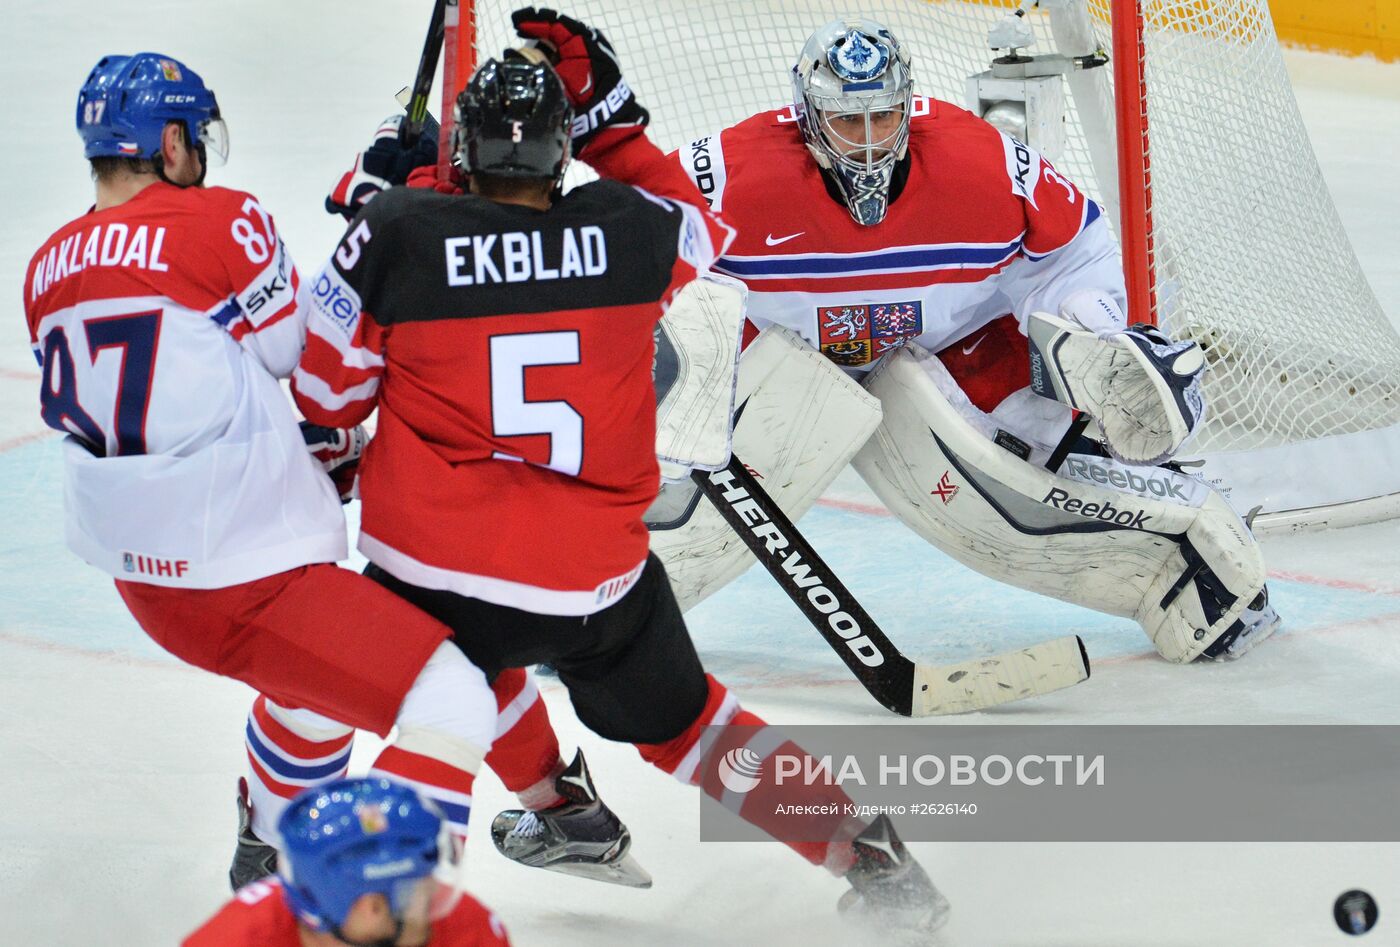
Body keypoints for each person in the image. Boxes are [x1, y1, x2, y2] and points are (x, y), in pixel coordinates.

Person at [293, 9, 948, 934]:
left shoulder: (401, 232)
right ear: (563, 157)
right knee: (695, 727)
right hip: (599, 579)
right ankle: (870, 854)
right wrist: (617, 120)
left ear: (462, 155)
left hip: (438, 576)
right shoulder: (628, 232)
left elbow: (326, 395)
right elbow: (703, 225)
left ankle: (481, 847)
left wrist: (376, 207)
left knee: (411, 686)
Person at [660, 18, 1280, 665]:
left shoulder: (977, 162)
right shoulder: (726, 177)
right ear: (808, 117)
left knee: (1006, 505)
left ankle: (1194, 570)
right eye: (849, 120)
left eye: (885, 116)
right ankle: (587, 607)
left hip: (946, 346)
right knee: (691, 517)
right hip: (777, 360)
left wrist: (1093, 335)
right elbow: (627, 258)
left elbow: (1076, 248)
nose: (870, 141)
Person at [22, 52, 499, 891]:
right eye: (195, 137)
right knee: (454, 697)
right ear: (170, 143)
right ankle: (362, 902)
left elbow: (196, 364)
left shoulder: (44, 267)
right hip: (242, 570)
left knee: (312, 693)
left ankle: (272, 845)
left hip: (146, 580)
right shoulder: (217, 220)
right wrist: (380, 223)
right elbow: (306, 362)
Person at [184, 777, 511, 946]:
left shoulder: (466, 929)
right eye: (415, 890)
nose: (434, 901)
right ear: (369, 907)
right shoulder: (236, 940)